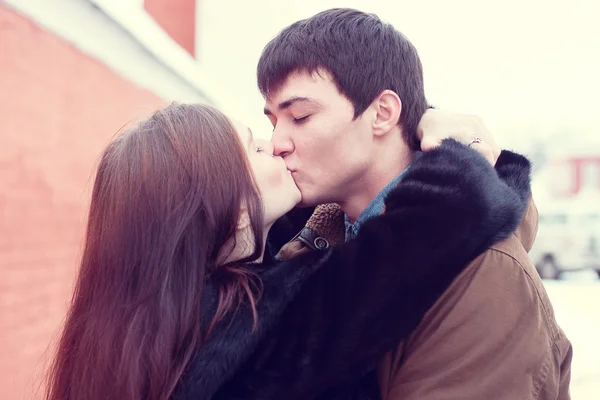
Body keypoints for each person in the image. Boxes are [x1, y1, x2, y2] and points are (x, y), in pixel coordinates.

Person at [44, 102, 530, 400]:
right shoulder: (253, 330)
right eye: (256, 149)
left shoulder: (148, 329)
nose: (277, 147)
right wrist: (470, 153)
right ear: (226, 208)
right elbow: (438, 226)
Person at [258, 8, 572, 399]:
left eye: (300, 117)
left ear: (383, 113)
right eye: (273, 123)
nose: (277, 143)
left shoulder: (482, 273)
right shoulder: (307, 245)